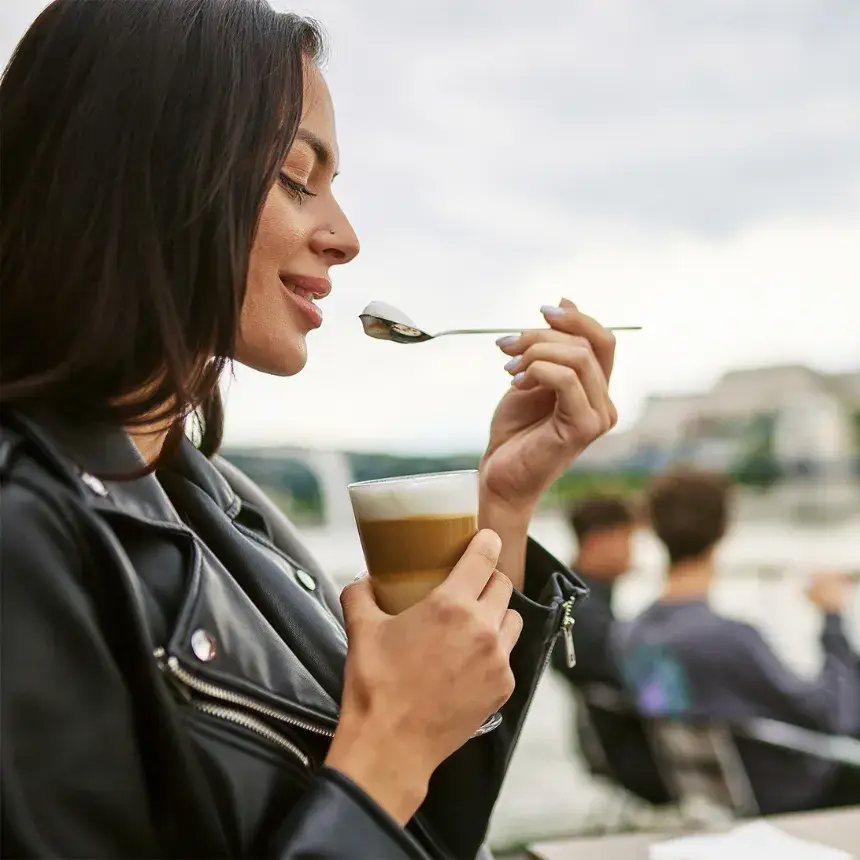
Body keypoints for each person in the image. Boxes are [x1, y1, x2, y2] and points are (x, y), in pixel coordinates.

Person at [0, 1, 623, 857]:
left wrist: (504, 504)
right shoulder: (22, 535)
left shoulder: (216, 499)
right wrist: (386, 752)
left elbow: (430, 830)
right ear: (145, 174)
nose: (346, 237)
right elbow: (388, 777)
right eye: (298, 177)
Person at [616, 467, 860, 815]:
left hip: (710, 791)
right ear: (724, 529)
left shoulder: (631, 632)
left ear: (653, 530)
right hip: (785, 794)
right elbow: (832, 716)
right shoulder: (728, 638)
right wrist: (832, 616)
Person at [550, 495, 671, 805]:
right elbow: (647, 689)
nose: (633, 551)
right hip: (640, 756)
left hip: (606, 746)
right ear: (597, 541)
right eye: (627, 539)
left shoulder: (571, 600)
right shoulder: (587, 615)